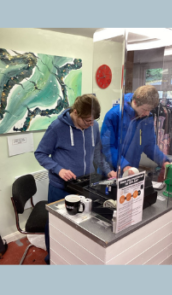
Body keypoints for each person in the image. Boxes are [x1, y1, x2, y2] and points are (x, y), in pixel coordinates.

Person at [35, 94, 114, 263]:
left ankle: (72, 258)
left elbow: (97, 153)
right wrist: (58, 169)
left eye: (93, 120)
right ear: (76, 112)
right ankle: (53, 258)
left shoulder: (93, 126)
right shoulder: (57, 127)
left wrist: (108, 170)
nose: (90, 124)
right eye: (87, 120)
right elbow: (40, 153)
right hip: (60, 187)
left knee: (81, 225)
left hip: (86, 186)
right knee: (56, 225)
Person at [101, 85, 170, 177]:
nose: (147, 113)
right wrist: (124, 165)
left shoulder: (146, 118)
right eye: (145, 109)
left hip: (132, 171)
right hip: (112, 172)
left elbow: (150, 146)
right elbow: (108, 148)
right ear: (135, 102)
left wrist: (164, 161)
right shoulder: (114, 115)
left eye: (149, 110)